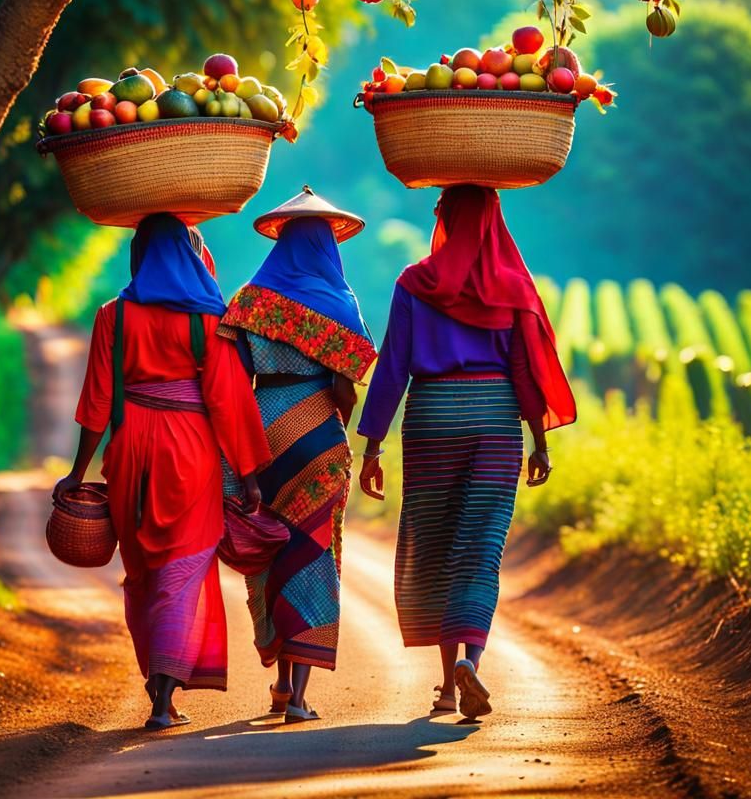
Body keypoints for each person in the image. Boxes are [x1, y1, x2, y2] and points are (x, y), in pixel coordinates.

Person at [356, 184, 575, 719]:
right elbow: (524, 372)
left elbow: (393, 366)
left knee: (435, 544)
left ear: (448, 218)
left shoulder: (414, 283)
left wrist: (372, 446)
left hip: (431, 421)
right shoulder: (513, 287)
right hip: (495, 423)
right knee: (480, 547)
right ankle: (471, 661)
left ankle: (448, 687)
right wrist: (539, 440)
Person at [54, 214, 271, 730]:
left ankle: (158, 685)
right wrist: (248, 475)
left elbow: (97, 404)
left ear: (140, 255)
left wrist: (76, 473)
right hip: (190, 454)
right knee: (183, 570)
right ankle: (164, 698)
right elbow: (228, 401)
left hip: (130, 453)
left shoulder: (113, 316)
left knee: (143, 572)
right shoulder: (209, 319)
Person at [219, 186, 376, 724]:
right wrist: (337, 421)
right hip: (317, 438)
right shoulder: (341, 302)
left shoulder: (248, 300)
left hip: (260, 434)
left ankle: (280, 683)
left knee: (269, 554)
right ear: (328, 244)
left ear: (280, 240)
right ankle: (300, 697)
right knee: (312, 555)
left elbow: (231, 383)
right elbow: (345, 390)